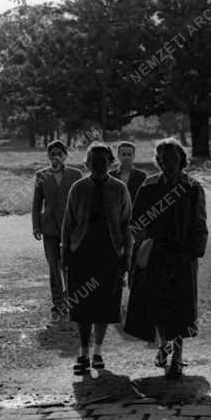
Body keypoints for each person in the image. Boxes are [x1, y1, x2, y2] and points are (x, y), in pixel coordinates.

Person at [124, 138, 207, 379]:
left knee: (181, 306)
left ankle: (177, 358)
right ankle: (162, 345)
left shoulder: (192, 187)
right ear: (158, 162)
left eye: (172, 159)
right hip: (156, 253)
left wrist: (195, 251)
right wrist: (139, 245)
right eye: (163, 160)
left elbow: (200, 221)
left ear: (182, 160)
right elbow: (137, 221)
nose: (168, 164)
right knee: (157, 303)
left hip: (183, 254)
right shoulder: (149, 186)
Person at [61, 142, 132, 374]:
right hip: (82, 253)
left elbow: (126, 224)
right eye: (94, 161)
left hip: (110, 254)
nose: (99, 165)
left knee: (104, 305)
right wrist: (65, 253)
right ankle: (83, 352)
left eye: (103, 161)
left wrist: (127, 256)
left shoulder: (119, 189)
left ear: (111, 162)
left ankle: (98, 351)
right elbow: (68, 223)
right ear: (87, 163)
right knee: (82, 306)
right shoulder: (78, 188)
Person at [32, 140, 83, 323]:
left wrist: (82, 226)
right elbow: (37, 203)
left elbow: (82, 202)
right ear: (48, 156)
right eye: (52, 154)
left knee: (70, 265)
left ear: (65, 155)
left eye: (59, 154)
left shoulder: (75, 174)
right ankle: (57, 302)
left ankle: (70, 299)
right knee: (53, 265)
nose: (56, 157)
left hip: (71, 228)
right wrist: (36, 226)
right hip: (49, 228)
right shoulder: (42, 175)